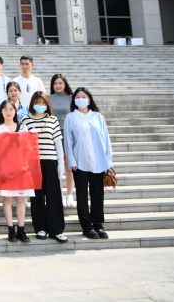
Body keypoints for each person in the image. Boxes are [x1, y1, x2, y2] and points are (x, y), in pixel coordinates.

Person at [65, 87, 113, 240]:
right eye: (78, 97)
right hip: (79, 162)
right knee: (82, 196)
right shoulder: (71, 117)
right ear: (74, 100)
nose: (81, 99)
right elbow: (68, 141)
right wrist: (71, 160)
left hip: (99, 162)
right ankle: (87, 227)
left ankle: (98, 224)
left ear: (89, 99)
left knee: (98, 194)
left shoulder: (98, 117)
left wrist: (108, 161)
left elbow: (106, 139)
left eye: (84, 96)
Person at [22, 91, 68, 243]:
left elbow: (58, 143)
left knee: (54, 196)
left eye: (42, 102)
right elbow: (22, 143)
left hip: (50, 161)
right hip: (34, 163)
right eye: (37, 102)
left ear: (47, 104)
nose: (40, 105)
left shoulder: (52, 120)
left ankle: (57, 230)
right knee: (37, 197)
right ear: (32, 103)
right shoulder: (26, 120)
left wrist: (61, 163)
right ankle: (40, 228)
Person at [0, 101, 33, 243]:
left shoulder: (23, 127)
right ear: (1, 112)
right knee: (7, 199)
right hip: (5, 168)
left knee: (21, 199)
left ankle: (21, 229)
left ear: (15, 111)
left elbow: (28, 148)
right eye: (5, 109)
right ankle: (10, 230)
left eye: (11, 109)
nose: (8, 112)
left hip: (21, 168)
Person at [50, 73, 76, 208]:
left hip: (68, 133)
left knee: (68, 165)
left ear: (65, 84)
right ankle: (59, 194)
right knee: (57, 165)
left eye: (60, 83)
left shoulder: (72, 98)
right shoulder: (48, 98)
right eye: (55, 83)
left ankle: (70, 194)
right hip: (53, 134)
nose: (58, 86)